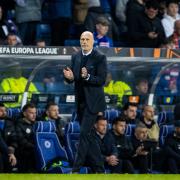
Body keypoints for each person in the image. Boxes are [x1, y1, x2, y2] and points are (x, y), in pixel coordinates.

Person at [63, 31, 107, 134]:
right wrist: (70, 78)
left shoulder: (100, 57)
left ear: (92, 42)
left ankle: (80, 151)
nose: (84, 42)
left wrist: (88, 77)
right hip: (80, 101)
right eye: (82, 39)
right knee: (88, 134)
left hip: (93, 103)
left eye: (87, 40)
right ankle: (97, 150)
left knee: (84, 133)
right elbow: (73, 78)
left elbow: (101, 80)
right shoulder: (75, 56)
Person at [16, 103, 37, 172]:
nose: (34, 115)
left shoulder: (37, 124)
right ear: (24, 114)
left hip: (35, 151)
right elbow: (21, 141)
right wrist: (36, 147)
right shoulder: (18, 124)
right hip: (23, 154)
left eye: (35, 113)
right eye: (31, 113)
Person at [0, 103, 17, 172]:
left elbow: (14, 138)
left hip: (7, 150)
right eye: (1, 111)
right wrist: (10, 153)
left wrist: (12, 147)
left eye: (5, 110)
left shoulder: (10, 123)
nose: (4, 112)